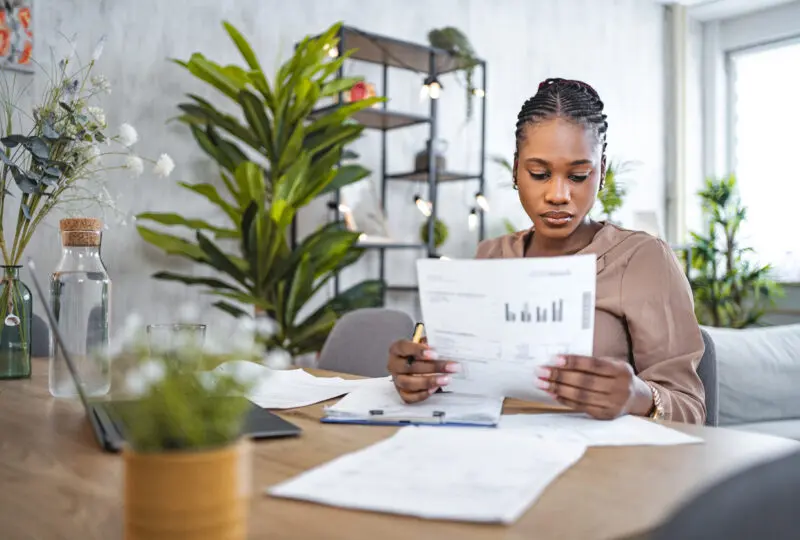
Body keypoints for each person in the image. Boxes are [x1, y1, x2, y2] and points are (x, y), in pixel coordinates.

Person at [387, 77, 706, 424]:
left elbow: (691, 410)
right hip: (489, 452)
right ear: (515, 170)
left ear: (601, 173)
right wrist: (419, 374)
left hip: (597, 464)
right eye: (539, 173)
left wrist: (638, 396)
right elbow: (456, 378)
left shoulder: (643, 259)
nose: (558, 194)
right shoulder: (491, 255)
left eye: (579, 176)